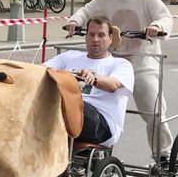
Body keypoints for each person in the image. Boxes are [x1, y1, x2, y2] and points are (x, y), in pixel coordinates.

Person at [64, 0, 174, 162]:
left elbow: (165, 16)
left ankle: (163, 154)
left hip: (143, 60)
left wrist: (157, 27)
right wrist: (74, 21)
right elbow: (87, 11)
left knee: (153, 110)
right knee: (95, 107)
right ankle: (93, 154)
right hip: (114, 63)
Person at [45, 16, 134, 146]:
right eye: (91, 35)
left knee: (67, 102)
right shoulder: (69, 56)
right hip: (69, 111)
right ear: (86, 38)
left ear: (110, 39)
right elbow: (42, 69)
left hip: (102, 124)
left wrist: (94, 78)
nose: (95, 39)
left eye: (101, 35)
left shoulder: (120, 64)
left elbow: (114, 84)